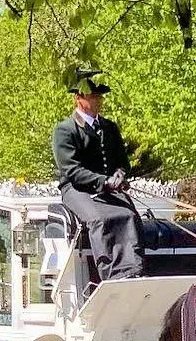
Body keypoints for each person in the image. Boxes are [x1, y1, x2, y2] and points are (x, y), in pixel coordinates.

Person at [51, 70, 144, 281]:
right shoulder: (65, 130)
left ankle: (133, 271)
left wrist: (119, 175)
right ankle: (111, 275)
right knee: (100, 219)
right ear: (79, 98)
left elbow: (122, 162)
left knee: (129, 215)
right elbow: (71, 170)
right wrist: (104, 181)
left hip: (108, 188)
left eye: (99, 96)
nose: (98, 100)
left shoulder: (109, 127)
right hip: (76, 189)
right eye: (93, 96)